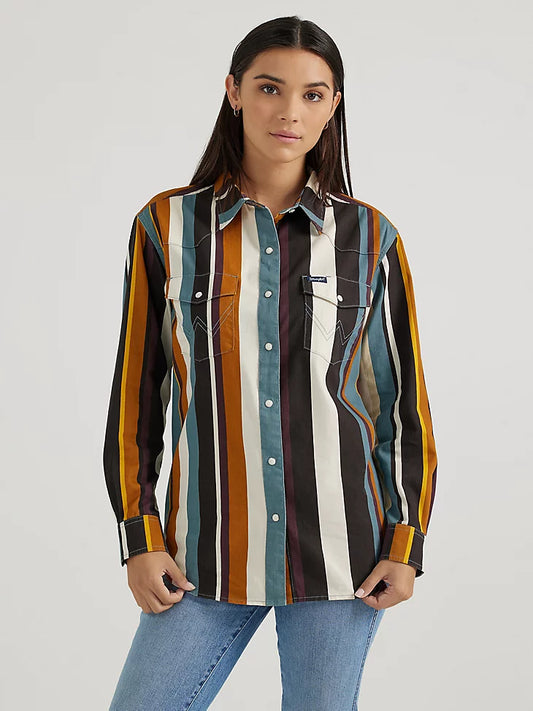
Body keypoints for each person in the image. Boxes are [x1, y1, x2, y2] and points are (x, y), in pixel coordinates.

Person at [103, 15, 438, 711]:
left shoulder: (369, 236)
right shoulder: (166, 227)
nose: (290, 111)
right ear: (233, 91)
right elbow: (136, 396)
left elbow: (400, 407)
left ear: (333, 105)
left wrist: (404, 542)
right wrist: (139, 537)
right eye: (268, 87)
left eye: (312, 94)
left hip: (344, 560)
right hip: (203, 556)